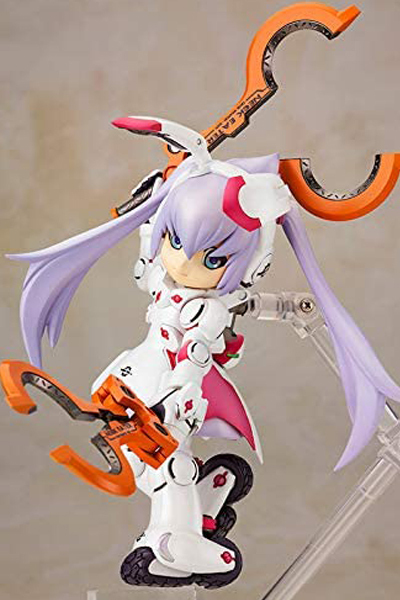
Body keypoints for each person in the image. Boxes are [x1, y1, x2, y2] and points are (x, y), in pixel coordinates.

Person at [8, 116, 400, 588]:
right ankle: (207, 496)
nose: (183, 262)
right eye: (175, 241)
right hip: (139, 371)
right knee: (138, 448)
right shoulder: (163, 277)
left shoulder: (209, 311)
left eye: (213, 259)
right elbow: (146, 267)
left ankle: (180, 540)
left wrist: (179, 398)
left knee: (165, 459)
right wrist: (159, 201)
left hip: (177, 388)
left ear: (252, 265)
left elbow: (194, 358)